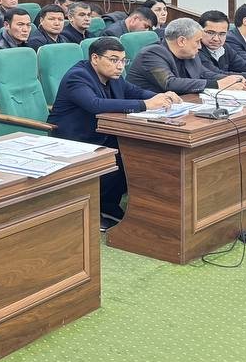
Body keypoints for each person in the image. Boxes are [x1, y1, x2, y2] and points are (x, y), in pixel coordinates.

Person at [48, 37, 182, 228]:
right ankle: (97, 208)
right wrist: (145, 105)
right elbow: (95, 105)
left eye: (123, 60)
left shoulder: (114, 78)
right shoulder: (77, 77)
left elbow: (135, 91)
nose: (120, 66)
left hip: (103, 134)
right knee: (122, 155)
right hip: (76, 139)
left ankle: (111, 205)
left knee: (137, 151)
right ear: (95, 58)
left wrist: (161, 97)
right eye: (113, 60)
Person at [126, 17, 246, 94]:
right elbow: (170, 83)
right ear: (182, 41)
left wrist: (234, 80)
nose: (200, 46)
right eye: (197, 41)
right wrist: (218, 84)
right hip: (145, 113)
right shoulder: (151, 54)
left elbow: (205, 73)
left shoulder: (188, 54)